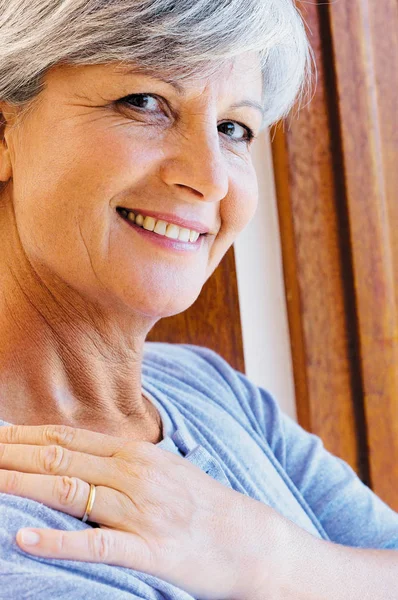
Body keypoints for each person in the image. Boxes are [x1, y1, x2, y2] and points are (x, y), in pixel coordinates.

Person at [0, 1, 397, 599]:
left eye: (233, 128)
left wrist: (274, 560)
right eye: (143, 102)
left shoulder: (212, 388)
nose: (209, 176)